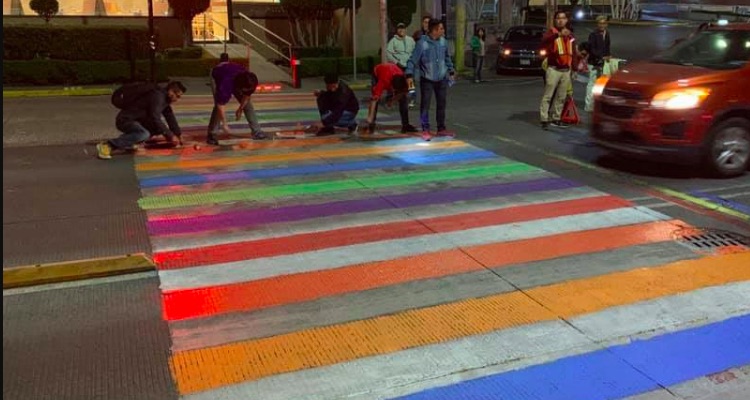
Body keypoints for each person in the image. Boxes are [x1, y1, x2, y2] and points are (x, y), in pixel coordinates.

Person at [96, 81, 185, 160]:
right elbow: (155, 117)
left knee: (157, 129)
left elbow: (170, 116)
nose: (177, 99)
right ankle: (108, 145)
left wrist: (178, 134)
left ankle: (130, 141)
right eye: (177, 96)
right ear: (171, 91)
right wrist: (170, 136)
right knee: (144, 134)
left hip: (137, 120)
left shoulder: (164, 99)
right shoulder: (158, 97)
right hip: (126, 120)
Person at [406, 18, 456, 141]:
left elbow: (447, 58)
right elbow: (413, 60)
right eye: (441, 29)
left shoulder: (443, 42)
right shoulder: (422, 43)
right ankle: (425, 129)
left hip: (441, 79)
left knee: (441, 104)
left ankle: (441, 128)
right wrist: (408, 73)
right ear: (434, 30)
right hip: (427, 79)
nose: (443, 31)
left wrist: (451, 70)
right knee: (425, 105)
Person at [207, 56, 266, 145]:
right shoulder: (226, 82)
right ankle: (212, 134)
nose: (246, 92)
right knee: (217, 107)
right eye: (245, 90)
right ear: (241, 87)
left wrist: (240, 109)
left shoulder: (250, 81)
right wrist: (225, 124)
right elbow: (220, 104)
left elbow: (246, 96)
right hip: (217, 76)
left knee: (248, 106)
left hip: (235, 76)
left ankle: (257, 131)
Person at [539, 11, 576, 130]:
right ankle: (544, 119)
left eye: (563, 18)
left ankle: (557, 118)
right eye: (558, 18)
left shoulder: (570, 35)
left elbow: (573, 52)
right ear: (555, 20)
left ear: (566, 20)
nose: (561, 20)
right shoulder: (551, 33)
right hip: (553, 69)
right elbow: (543, 42)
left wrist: (574, 69)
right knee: (548, 95)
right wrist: (558, 34)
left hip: (566, 70)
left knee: (561, 96)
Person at [365, 63, 419, 134]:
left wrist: (392, 101)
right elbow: (374, 100)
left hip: (392, 70)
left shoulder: (406, 79)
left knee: (403, 100)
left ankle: (405, 125)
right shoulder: (384, 81)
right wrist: (370, 116)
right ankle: (371, 124)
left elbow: (404, 92)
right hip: (378, 71)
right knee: (376, 98)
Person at [585, 15, 611, 112]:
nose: (602, 25)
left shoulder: (607, 33)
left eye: (604, 23)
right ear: (597, 24)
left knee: (601, 84)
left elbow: (607, 47)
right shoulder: (593, 34)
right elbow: (591, 49)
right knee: (591, 84)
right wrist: (601, 57)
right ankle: (589, 106)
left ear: (607, 24)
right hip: (593, 63)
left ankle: (598, 105)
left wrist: (608, 56)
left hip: (603, 63)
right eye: (600, 23)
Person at [387, 22, 417, 107]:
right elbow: (389, 53)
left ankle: (412, 98)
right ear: (397, 30)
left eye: (403, 28)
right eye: (399, 28)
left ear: (405, 29)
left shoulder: (410, 40)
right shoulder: (393, 41)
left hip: (409, 66)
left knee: (410, 83)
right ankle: (399, 99)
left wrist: (413, 61)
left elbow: (415, 51)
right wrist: (396, 62)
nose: (401, 30)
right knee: (399, 84)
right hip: (399, 66)